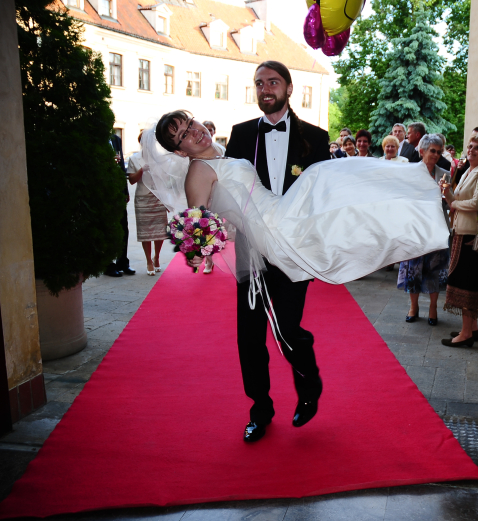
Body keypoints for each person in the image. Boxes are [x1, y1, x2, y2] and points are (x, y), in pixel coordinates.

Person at [148, 62, 448, 444]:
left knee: (289, 328)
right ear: (179, 150)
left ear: (288, 87)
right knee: (250, 338)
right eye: (182, 135)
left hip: (293, 232)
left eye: (189, 123)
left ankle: (309, 385)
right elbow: (200, 220)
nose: (193, 132)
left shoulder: (293, 140)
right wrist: (200, 246)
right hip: (256, 252)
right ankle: (260, 411)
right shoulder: (230, 144)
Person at [441, 132, 478, 347]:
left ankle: (466, 333)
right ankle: (472, 328)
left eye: (477, 147)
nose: (471, 150)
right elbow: (456, 200)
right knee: (466, 281)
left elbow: (477, 203)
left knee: (467, 284)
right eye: (470, 146)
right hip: (461, 231)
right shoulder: (469, 170)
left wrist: (454, 204)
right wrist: (447, 192)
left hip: (471, 234)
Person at [397, 134, 450, 327]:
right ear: (422, 151)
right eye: (432, 151)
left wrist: (445, 194)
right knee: (413, 269)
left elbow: (449, 201)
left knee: (434, 268)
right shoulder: (409, 172)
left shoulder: (444, 173)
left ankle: (433, 308)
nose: (436, 155)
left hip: (436, 229)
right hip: (414, 229)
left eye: (439, 152)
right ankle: (413, 307)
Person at [127, 132, 168, 276]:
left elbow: (166, 179)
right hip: (143, 197)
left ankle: (157, 257)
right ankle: (148, 261)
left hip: (158, 197)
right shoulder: (134, 158)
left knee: (160, 231)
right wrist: (141, 170)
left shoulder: (160, 158)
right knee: (145, 231)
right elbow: (132, 180)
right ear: (141, 142)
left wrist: (168, 200)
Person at [105, 132, 135, 277]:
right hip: (104, 190)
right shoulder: (95, 138)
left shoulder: (115, 139)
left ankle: (123, 262)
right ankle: (108, 264)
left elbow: (122, 166)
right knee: (108, 228)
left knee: (123, 227)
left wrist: (125, 190)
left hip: (119, 191)